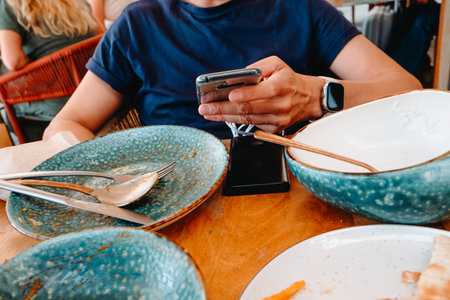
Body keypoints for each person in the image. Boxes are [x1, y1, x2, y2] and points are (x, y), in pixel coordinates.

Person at [43, 0, 422, 143]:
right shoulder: (139, 24)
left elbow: (408, 89)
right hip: (175, 206)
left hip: (299, 192)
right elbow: (64, 125)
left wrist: (316, 96)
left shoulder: (301, 9)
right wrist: (113, 173)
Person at [0, 0, 97, 140]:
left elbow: (14, 61)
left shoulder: (9, 4)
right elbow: (100, 34)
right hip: (93, 92)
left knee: (6, 102)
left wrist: (34, 64)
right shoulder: (77, 2)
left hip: (58, 104)